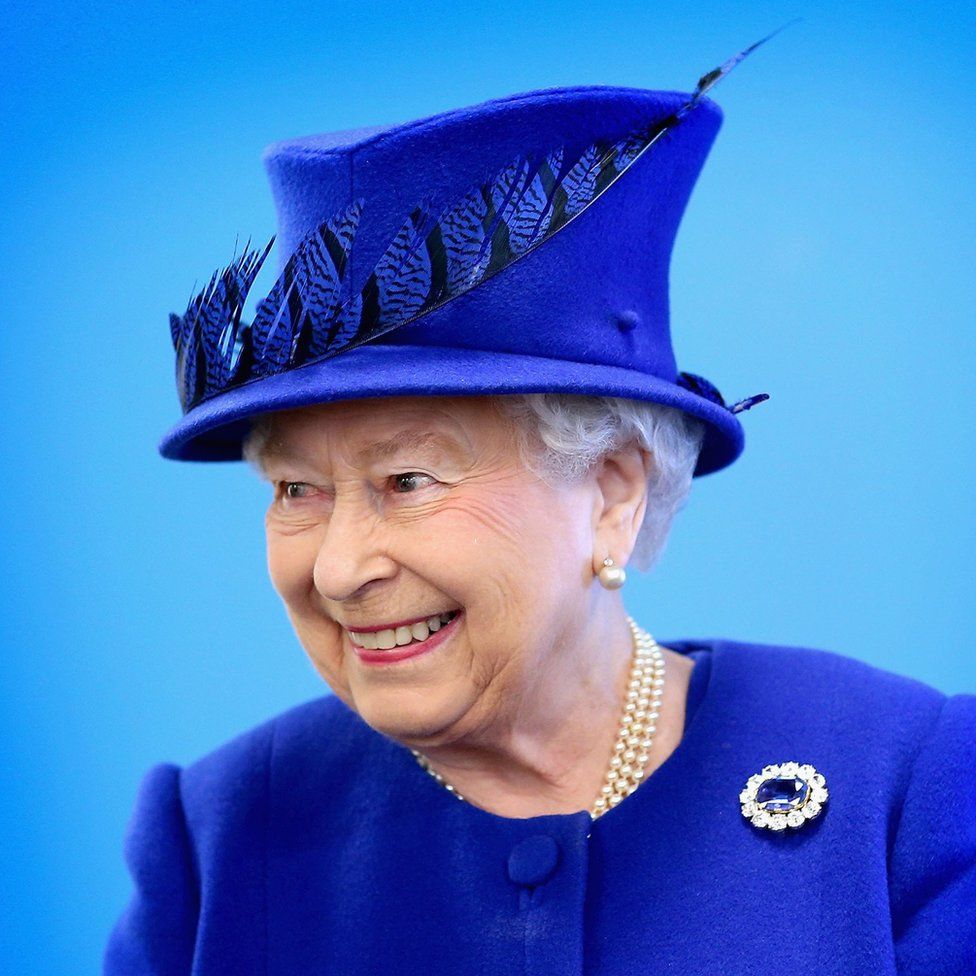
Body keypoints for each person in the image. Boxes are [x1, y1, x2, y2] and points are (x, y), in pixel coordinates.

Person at [103, 50, 976, 976]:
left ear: (612, 492)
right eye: (295, 491)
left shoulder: (902, 784)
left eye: (407, 481)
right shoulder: (215, 840)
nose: (337, 568)